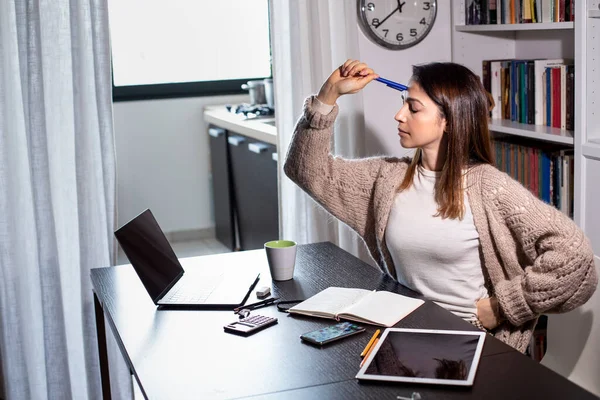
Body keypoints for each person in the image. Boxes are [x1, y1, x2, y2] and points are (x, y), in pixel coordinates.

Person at [283, 59, 598, 353]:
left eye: (414, 107)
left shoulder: (488, 187)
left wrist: (503, 306)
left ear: (448, 120)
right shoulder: (386, 178)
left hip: (471, 346)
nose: (399, 115)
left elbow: (576, 258)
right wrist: (328, 96)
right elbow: (306, 171)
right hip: (403, 334)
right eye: (403, 102)